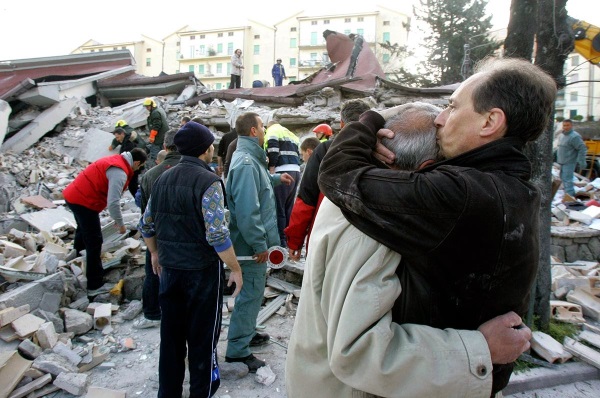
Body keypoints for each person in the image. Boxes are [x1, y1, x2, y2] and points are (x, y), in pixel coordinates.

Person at [305, 57, 556, 396]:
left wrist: (369, 120)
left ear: (490, 122)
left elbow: (338, 175)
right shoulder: (515, 188)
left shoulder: (459, 194)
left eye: (453, 107)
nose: (441, 118)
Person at [139, 121, 243, 398]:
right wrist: (235, 268)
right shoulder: (208, 181)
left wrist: (155, 252)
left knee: (170, 340)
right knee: (203, 339)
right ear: (206, 149)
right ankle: (202, 391)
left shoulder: (161, 178)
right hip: (201, 274)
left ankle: (168, 393)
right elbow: (218, 235)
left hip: (170, 271)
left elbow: (146, 225)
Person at [224, 112, 293, 372]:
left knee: (253, 294)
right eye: (262, 127)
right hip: (249, 247)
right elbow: (246, 210)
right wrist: (258, 244)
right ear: (254, 131)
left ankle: (248, 333)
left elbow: (256, 185)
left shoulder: (252, 160)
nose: (265, 131)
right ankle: (238, 352)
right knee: (249, 294)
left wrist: (276, 178)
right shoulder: (245, 162)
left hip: (253, 245)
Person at [285, 99, 371, 261]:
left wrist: (295, 241)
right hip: (367, 243)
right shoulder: (383, 152)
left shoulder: (324, 150)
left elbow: (306, 199)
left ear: (341, 123)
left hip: (324, 237)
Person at [63, 148, 147, 292]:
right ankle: (94, 284)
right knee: (94, 241)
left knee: (83, 230)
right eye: (139, 166)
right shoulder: (119, 172)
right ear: (137, 162)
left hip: (74, 195)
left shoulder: (117, 160)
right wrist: (120, 224)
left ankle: (76, 262)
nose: (138, 169)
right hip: (84, 201)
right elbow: (113, 202)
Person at [134, 129, 181, 330]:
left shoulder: (149, 176)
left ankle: (152, 313)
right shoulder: (197, 170)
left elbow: (145, 214)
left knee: (153, 271)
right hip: (186, 237)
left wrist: (152, 246)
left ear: (164, 147)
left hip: (158, 235)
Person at [264, 121, 301, 247]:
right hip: (295, 171)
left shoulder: (272, 131)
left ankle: (281, 241)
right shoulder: (289, 133)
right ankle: (289, 239)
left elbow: (273, 149)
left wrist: (272, 167)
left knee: (279, 208)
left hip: (282, 171)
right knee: (288, 208)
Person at [557, 118, 587, 197]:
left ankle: (570, 199)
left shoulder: (574, 136)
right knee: (563, 179)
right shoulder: (562, 136)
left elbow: (582, 148)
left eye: (567, 125)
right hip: (562, 162)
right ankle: (567, 196)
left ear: (571, 126)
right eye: (564, 125)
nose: (566, 127)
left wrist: (582, 161)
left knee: (568, 180)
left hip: (569, 162)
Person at [143, 97, 169, 166]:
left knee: (155, 153)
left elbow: (156, 125)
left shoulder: (155, 113)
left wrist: (152, 135)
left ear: (152, 105)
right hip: (162, 136)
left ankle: (156, 166)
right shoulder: (157, 111)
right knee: (164, 151)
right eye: (146, 107)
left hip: (159, 137)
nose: (147, 108)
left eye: (148, 106)